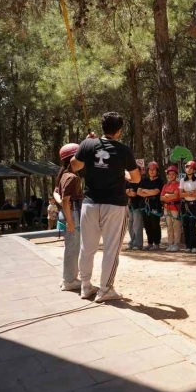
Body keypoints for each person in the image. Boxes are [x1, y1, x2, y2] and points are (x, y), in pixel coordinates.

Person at [70, 112, 141, 302]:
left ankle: (85, 286)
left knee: (87, 247)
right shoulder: (124, 150)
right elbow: (136, 178)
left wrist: (85, 144)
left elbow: (74, 165)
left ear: (102, 127)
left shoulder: (87, 145)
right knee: (111, 249)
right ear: (119, 131)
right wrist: (124, 174)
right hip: (115, 204)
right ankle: (105, 289)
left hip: (90, 203)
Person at [56, 142, 83, 292]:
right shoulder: (72, 177)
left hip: (69, 213)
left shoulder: (63, 175)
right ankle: (69, 280)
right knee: (73, 247)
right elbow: (66, 201)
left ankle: (68, 277)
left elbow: (56, 194)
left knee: (70, 247)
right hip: (73, 213)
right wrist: (71, 221)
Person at [138, 162, 164, 251]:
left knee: (155, 224)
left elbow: (156, 192)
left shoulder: (159, 181)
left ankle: (156, 243)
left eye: (154, 170)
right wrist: (149, 192)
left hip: (155, 205)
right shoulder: (144, 180)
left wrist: (145, 191)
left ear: (157, 171)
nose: (152, 171)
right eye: (150, 169)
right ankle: (150, 243)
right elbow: (138, 192)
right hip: (145, 205)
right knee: (147, 224)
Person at [179, 161, 196, 253]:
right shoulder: (182, 180)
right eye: (187, 167)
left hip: (193, 205)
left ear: (194, 170)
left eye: (191, 168)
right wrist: (189, 193)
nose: (189, 169)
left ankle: (194, 245)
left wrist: (186, 193)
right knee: (185, 225)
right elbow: (180, 194)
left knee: (192, 225)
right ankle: (188, 246)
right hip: (184, 205)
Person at [161, 165, 182, 252]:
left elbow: (176, 195)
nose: (171, 176)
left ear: (176, 175)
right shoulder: (165, 186)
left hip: (175, 208)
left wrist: (167, 195)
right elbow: (161, 198)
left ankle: (176, 244)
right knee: (169, 226)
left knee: (176, 226)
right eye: (170, 174)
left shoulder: (179, 185)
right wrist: (169, 196)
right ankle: (170, 243)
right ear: (167, 175)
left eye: (173, 174)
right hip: (167, 208)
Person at [125, 163, 145, 251]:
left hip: (138, 205)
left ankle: (138, 243)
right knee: (130, 225)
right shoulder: (128, 181)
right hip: (130, 206)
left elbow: (134, 193)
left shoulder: (141, 181)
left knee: (137, 225)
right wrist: (129, 191)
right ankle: (132, 242)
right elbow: (125, 191)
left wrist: (129, 192)